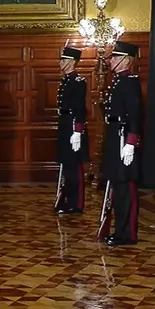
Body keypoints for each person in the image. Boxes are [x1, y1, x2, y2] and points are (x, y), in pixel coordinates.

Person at [101, 41, 143, 247]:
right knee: (118, 185)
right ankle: (119, 230)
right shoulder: (117, 81)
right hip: (114, 134)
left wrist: (131, 142)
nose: (111, 60)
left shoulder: (130, 82)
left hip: (124, 137)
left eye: (116, 57)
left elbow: (135, 114)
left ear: (126, 60)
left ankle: (128, 233)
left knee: (127, 186)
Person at [56, 46, 88, 215]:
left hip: (73, 126)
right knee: (67, 165)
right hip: (65, 124)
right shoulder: (66, 80)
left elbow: (80, 109)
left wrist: (78, 131)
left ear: (71, 62)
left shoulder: (78, 82)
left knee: (75, 167)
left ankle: (77, 204)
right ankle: (68, 200)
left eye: (63, 60)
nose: (60, 62)